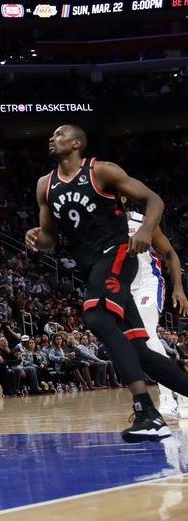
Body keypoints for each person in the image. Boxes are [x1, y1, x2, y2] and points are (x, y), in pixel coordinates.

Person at [26, 124, 188, 442]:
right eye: (51, 135)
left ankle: (146, 412)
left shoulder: (101, 171)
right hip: (92, 265)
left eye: (59, 135)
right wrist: (35, 237)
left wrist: (144, 231)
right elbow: (50, 239)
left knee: (97, 316)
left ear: (76, 144)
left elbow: (154, 199)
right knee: (140, 351)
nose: (51, 138)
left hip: (117, 254)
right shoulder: (45, 185)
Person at [124, 201, 188, 417]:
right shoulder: (101, 226)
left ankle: (169, 398)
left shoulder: (142, 221)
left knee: (148, 335)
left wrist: (178, 287)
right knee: (140, 347)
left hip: (148, 284)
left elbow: (169, 252)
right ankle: (181, 392)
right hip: (124, 291)